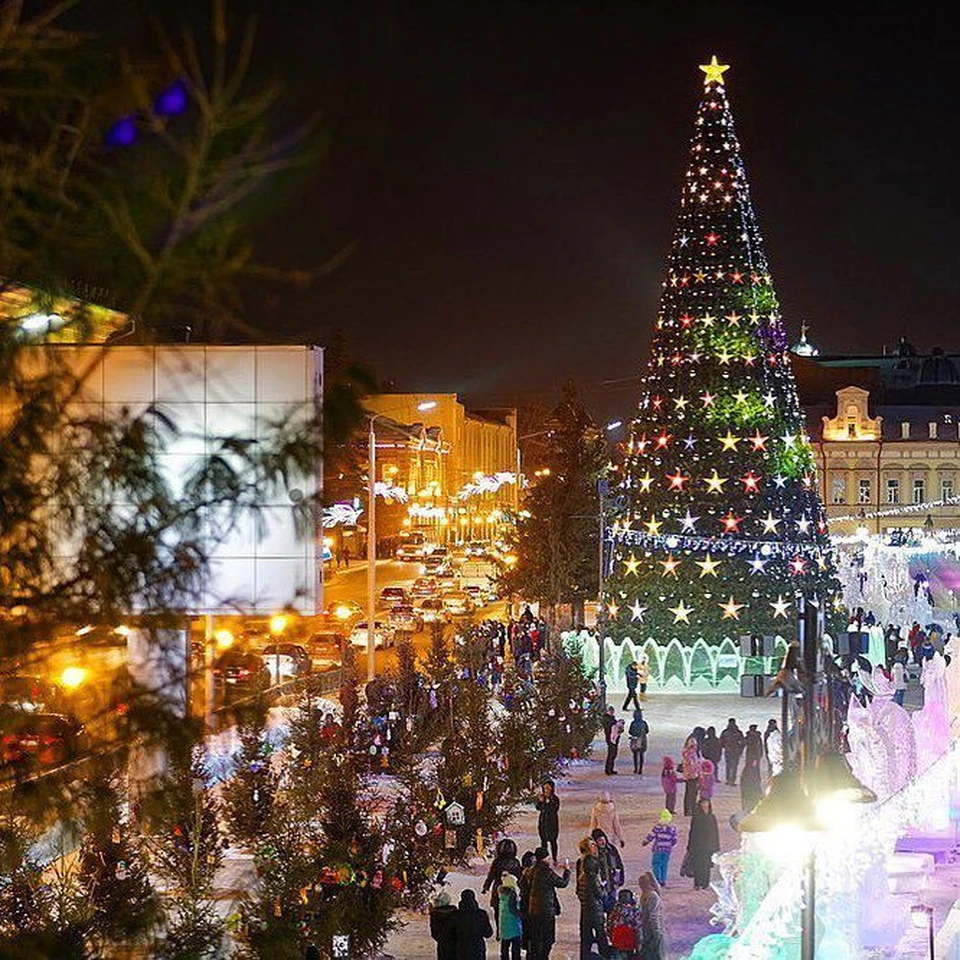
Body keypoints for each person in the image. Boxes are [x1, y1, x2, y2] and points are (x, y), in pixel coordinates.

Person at [524, 847, 569, 960]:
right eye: (548, 857)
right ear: (545, 858)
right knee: (547, 939)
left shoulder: (531, 870)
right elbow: (562, 883)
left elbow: (523, 884)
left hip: (533, 909)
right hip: (546, 910)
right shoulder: (546, 871)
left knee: (535, 938)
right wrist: (567, 871)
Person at [576, 837, 609, 960]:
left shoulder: (590, 863)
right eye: (592, 845)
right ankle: (605, 956)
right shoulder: (587, 865)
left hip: (588, 905)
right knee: (599, 934)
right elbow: (598, 891)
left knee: (587, 935)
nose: (595, 847)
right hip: (593, 906)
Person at [482, 839, 521, 936]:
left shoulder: (497, 862)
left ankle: (499, 929)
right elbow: (520, 877)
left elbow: (491, 875)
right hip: (511, 888)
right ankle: (509, 929)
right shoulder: (515, 862)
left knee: (497, 910)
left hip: (498, 888)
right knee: (511, 910)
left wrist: (486, 886)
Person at [685, 798, 720, 890]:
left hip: (708, 847)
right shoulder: (696, 817)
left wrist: (716, 846)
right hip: (698, 846)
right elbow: (692, 832)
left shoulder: (712, 817)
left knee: (706, 865)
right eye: (703, 805)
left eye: (706, 805)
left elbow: (715, 833)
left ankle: (705, 883)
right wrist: (690, 846)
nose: (705, 807)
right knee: (697, 865)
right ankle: (697, 883)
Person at [642, 810, 678, 887]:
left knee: (656, 864)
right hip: (667, 850)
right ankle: (663, 880)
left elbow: (651, 836)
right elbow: (675, 840)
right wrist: (669, 845)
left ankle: (657, 878)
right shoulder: (672, 829)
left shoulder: (657, 827)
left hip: (658, 849)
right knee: (664, 865)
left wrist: (645, 842)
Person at [591, 828, 625, 910]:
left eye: (603, 839)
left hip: (613, 883)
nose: (603, 842)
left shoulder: (611, 849)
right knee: (603, 906)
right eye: (599, 840)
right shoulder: (594, 854)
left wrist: (621, 878)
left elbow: (619, 864)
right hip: (602, 886)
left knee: (612, 907)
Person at [455, 889, 493, 960]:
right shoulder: (481, 914)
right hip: (478, 948)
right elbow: (488, 933)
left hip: (462, 948)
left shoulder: (456, 915)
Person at [606, 888, 642, 960]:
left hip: (617, 940)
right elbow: (638, 926)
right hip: (630, 940)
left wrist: (611, 936)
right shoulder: (634, 910)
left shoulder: (615, 910)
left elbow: (609, 924)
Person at [637, 872, 665, 960]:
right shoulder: (649, 895)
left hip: (648, 929)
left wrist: (656, 931)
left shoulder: (650, 896)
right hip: (650, 930)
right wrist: (657, 931)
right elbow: (653, 916)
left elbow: (653, 916)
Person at [498, 873, 523, 960]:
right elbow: (513, 909)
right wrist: (522, 915)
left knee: (504, 946)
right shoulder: (512, 894)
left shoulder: (502, 894)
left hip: (504, 925)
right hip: (513, 924)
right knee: (516, 947)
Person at [536, 780, 561, 863]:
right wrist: (541, 801)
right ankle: (544, 858)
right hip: (543, 822)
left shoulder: (555, 799)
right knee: (543, 841)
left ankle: (554, 858)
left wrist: (547, 803)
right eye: (545, 788)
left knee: (553, 841)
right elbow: (538, 808)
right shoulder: (542, 798)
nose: (546, 790)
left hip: (552, 823)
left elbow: (554, 809)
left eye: (548, 788)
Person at [430, 891, 459, 960]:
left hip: (442, 944)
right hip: (455, 944)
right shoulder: (455, 913)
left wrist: (441, 939)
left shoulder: (435, 914)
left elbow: (434, 933)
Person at [719, 718, 745, 785]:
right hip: (736, 751)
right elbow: (743, 742)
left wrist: (724, 746)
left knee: (728, 766)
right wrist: (740, 750)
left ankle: (728, 780)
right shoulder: (738, 732)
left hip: (728, 750)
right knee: (734, 766)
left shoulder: (725, 732)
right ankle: (732, 780)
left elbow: (721, 741)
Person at [681, 735, 701, 817]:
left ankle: (689, 810)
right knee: (691, 794)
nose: (695, 747)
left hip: (690, 776)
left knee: (689, 793)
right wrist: (697, 772)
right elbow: (692, 766)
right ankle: (690, 810)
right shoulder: (689, 753)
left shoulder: (689, 753)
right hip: (692, 776)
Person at [628, 709, 649, 775]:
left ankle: (635, 768)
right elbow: (647, 731)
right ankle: (640, 769)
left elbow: (630, 732)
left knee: (635, 755)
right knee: (641, 755)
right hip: (642, 740)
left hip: (635, 740)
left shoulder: (633, 723)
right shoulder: (644, 723)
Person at [603, 706, 622, 775]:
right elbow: (610, 728)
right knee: (611, 754)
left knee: (613, 754)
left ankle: (610, 769)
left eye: (612, 711)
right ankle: (608, 769)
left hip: (614, 738)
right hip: (610, 739)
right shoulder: (607, 719)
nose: (612, 712)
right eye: (610, 711)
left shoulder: (612, 719)